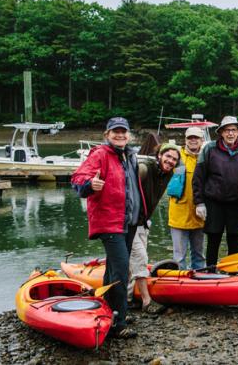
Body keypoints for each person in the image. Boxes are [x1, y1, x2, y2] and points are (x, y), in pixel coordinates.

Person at [71, 117, 141, 339]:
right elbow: (78, 178)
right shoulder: (100, 154)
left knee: (113, 269)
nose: (120, 135)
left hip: (128, 222)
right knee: (120, 271)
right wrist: (89, 185)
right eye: (115, 132)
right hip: (109, 223)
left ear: (128, 135)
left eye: (123, 132)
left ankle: (110, 311)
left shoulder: (129, 156)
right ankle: (118, 324)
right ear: (107, 134)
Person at [193, 116, 238, 270]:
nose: (230, 133)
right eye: (227, 130)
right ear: (221, 133)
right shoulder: (209, 149)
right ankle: (210, 271)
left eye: (233, 130)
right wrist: (199, 202)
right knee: (213, 239)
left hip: (237, 204)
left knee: (234, 240)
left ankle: (232, 273)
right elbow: (198, 177)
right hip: (214, 202)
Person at [129, 143, 181, 314]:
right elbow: (132, 179)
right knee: (141, 258)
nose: (170, 161)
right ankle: (146, 301)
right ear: (159, 155)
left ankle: (128, 299)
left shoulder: (169, 173)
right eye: (168, 156)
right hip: (130, 223)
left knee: (133, 263)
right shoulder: (146, 168)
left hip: (144, 223)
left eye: (174, 159)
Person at [168, 127, 206, 271]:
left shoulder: (206, 157)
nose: (193, 140)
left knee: (199, 254)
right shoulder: (176, 156)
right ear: (185, 140)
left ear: (202, 140)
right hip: (178, 215)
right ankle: (179, 282)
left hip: (199, 216)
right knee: (179, 256)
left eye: (196, 137)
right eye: (190, 138)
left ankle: (200, 280)